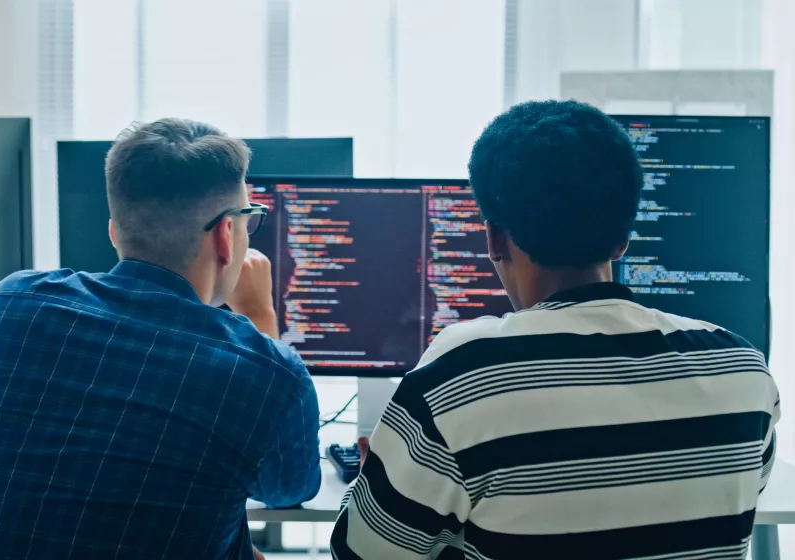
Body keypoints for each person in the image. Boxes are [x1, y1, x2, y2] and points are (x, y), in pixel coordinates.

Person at [330, 100, 779, 559]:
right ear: (624, 238)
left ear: (494, 239)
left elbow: (362, 553)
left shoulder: (459, 376)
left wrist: (376, 478)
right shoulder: (743, 371)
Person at [0, 119, 321, 560]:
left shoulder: (13, 303)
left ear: (114, 232)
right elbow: (287, 488)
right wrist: (260, 315)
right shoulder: (265, 372)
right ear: (227, 235)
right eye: (248, 220)